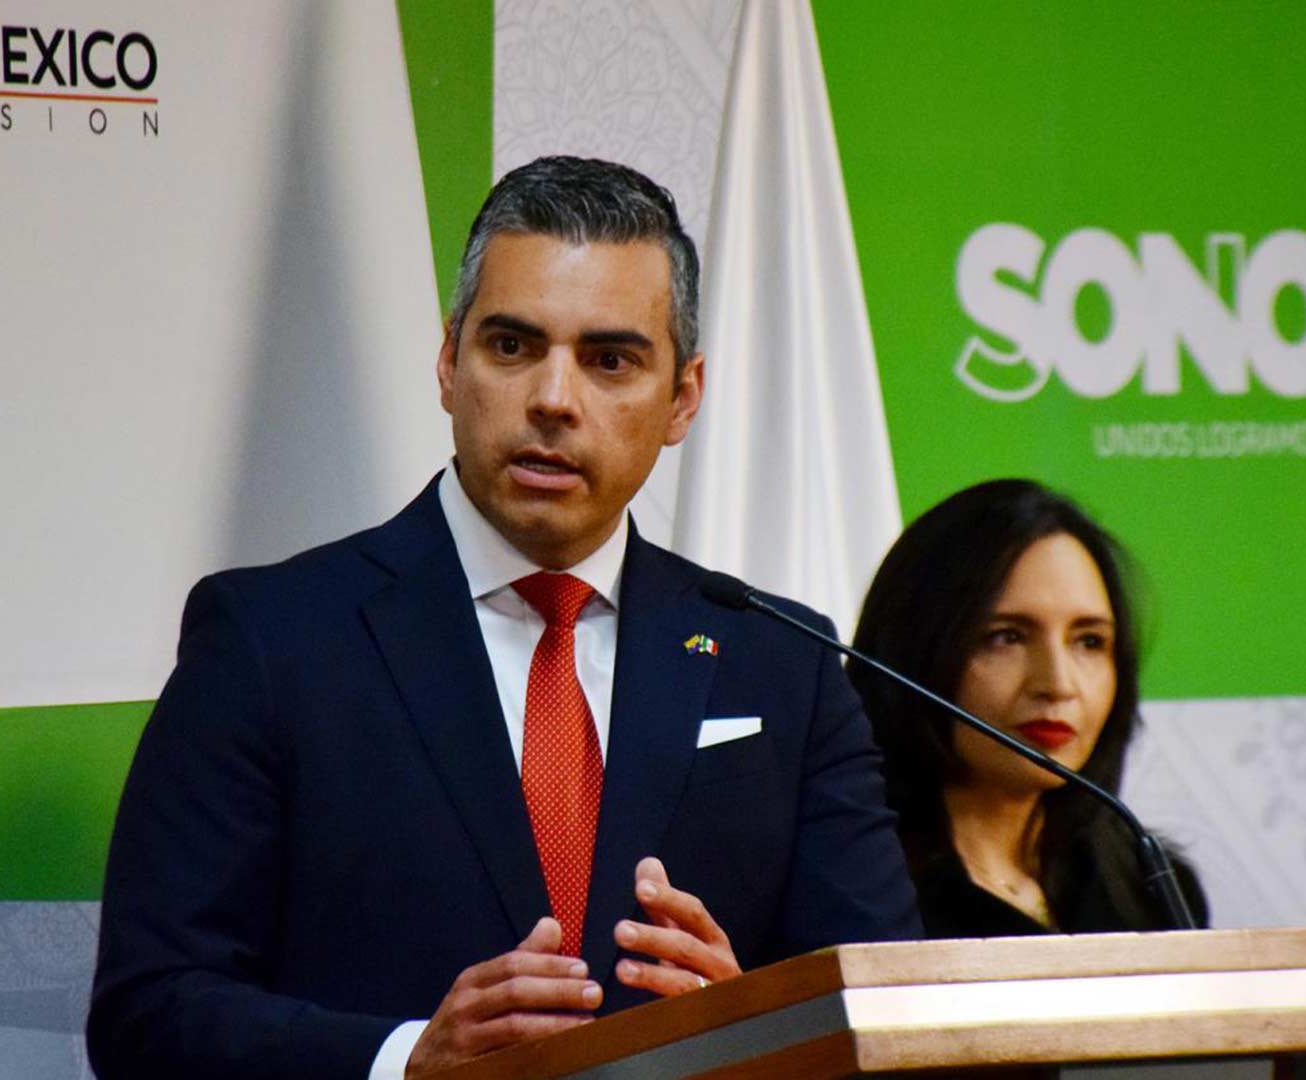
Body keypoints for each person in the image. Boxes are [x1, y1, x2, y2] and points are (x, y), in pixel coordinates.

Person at [87, 156, 921, 1080]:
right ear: (450, 362)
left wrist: (755, 1021)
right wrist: (406, 1061)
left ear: (683, 398)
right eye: (513, 346)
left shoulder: (782, 662)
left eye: (609, 360)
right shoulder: (270, 640)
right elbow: (149, 1013)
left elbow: (884, 1013)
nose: (554, 400)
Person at [847, 479, 1206, 938]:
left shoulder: (1155, 886)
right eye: (1007, 637)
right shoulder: (852, 893)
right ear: (913, 649)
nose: (1057, 685)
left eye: (1089, 641)